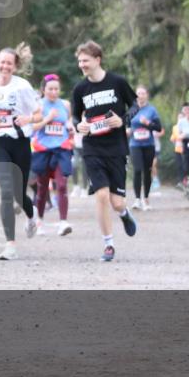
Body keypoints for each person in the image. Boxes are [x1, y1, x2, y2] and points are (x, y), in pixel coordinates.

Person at [71, 41, 138, 262]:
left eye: (85, 60)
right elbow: (75, 116)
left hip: (116, 148)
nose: (82, 65)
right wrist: (78, 126)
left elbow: (135, 105)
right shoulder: (80, 89)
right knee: (101, 195)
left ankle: (124, 214)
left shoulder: (117, 82)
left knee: (116, 202)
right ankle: (108, 244)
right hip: (92, 148)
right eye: (80, 61)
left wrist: (124, 120)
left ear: (97, 60)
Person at [0, 45, 41, 260]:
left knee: (19, 194)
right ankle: (10, 245)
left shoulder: (23, 87)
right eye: (2, 62)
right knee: (7, 192)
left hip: (20, 142)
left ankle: (32, 213)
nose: (5, 66)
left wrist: (28, 119)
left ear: (15, 66)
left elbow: (38, 113)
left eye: (9, 63)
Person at [30, 73, 74, 236]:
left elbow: (67, 121)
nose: (54, 92)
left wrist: (70, 127)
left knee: (62, 186)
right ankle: (39, 221)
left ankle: (63, 222)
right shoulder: (38, 105)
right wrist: (47, 118)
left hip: (62, 149)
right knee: (42, 189)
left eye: (56, 89)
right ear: (44, 90)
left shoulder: (66, 104)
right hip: (43, 150)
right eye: (50, 89)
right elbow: (33, 128)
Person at [126, 86, 162, 211]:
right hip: (135, 144)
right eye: (138, 93)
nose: (140, 95)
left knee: (147, 171)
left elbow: (158, 127)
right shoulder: (131, 110)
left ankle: (146, 198)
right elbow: (127, 126)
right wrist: (127, 131)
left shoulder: (151, 110)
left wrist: (148, 123)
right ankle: (137, 199)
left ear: (146, 95)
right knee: (137, 169)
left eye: (143, 93)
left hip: (149, 145)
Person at [170, 114, 185, 185]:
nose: (180, 119)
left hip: (186, 150)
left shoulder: (187, 127)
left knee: (185, 165)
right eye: (179, 118)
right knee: (179, 165)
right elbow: (173, 138)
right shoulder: (175, 127)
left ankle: (187, 180)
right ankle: (181, 181)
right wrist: (173, 139)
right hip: (177, 149)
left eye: (182, 118)